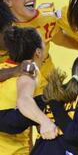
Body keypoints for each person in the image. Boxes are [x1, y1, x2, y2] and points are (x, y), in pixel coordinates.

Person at [0, 0, 78, 88]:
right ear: (7, 1)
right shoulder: (3, 30)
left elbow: (60, 39)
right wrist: (16, 70)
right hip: (17, 90)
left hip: (50, 86)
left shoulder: (46, 16)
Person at [0, 26, 56, 154]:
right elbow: (24, 100)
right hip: (13, 151)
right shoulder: (30, 70)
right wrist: (45, 122)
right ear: (38, 52)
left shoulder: (4, 69)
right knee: (45, 99)